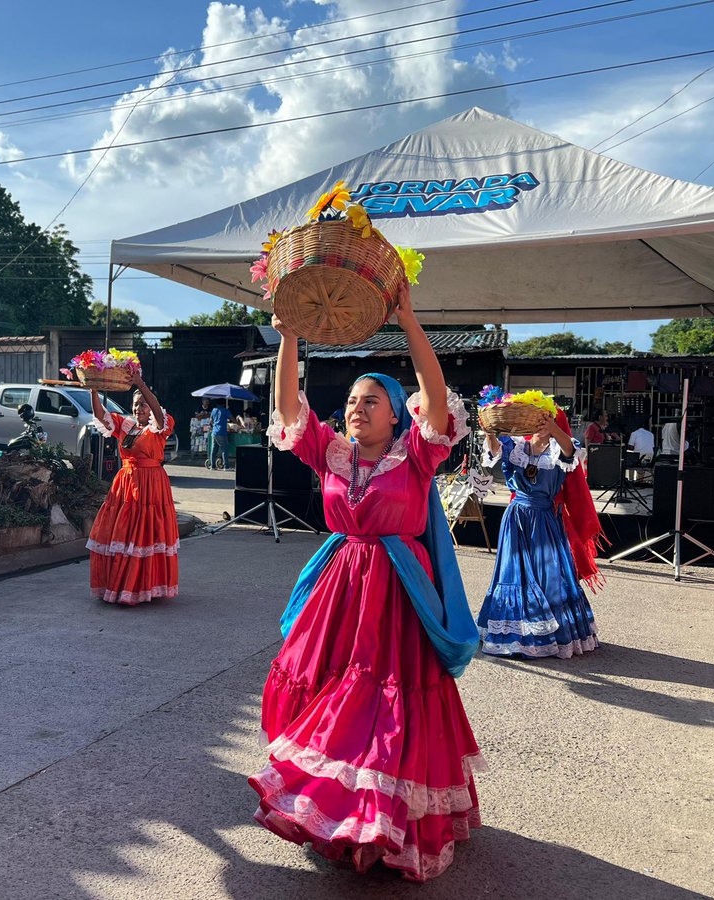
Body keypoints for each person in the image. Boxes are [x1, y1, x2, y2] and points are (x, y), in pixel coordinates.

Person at [249, 287, 483, 883]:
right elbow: (288, 407)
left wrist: (408, 321)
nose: (357, 408)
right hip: (338, 589)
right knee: (326, 688)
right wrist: (290, 336)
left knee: (384, 703)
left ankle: (383, 817)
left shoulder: (416, 457)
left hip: (398, 596)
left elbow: (435, 401)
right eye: (352, 400)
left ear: (396, 415)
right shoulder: (330, 454)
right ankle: (333, 808)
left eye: (372, 400)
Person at [479, 409, 602, 659]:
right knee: (514, 573)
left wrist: (554, 429)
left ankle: (553, 633)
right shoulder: (515, 446)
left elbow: (570, 449)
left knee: (548, 574)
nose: (537, 425)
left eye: (543, 420)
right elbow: (493, 452)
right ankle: (517, 633)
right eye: (536, 420)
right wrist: (490, 432)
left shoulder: (560, 448)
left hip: (545, 519)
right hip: (516, 519)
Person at [87, 372, 178, 605]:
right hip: (126, 483)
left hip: (151, 484)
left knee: (145, 533)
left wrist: (140, 384)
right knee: (123, 533)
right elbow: (100, 414)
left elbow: (158, 413)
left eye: (144, 405)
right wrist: (93, 389)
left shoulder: (160, 426)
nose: (140, 409)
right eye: (137, 404)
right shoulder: (125, 426)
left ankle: (142, 586)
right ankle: (121, 584)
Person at [209, 399, 232, 470]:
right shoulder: (225, 411)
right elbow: (232, 418)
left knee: (214, 449)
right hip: (222, 432)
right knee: (224, 449)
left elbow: (210, 421)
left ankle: (212, 466)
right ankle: (226, 466)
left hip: (214, 432)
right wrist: (239, 423)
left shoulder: (213, 410)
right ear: (223, 404)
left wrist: (215, 425)